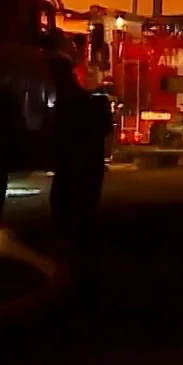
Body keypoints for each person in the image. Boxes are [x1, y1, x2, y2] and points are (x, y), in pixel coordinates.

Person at [47, 53, 108, 242]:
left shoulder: (71, 103)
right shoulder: (82, 101)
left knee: (68, 208)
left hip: (78, 166)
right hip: (84, 166)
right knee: (78, 210)